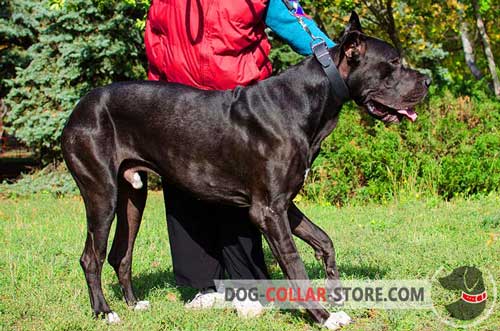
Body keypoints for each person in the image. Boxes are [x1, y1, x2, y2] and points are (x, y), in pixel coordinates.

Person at [144, 0, 335, 316]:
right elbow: (157, 34)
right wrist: (157, 93)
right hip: (178, 103)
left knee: (244, 196)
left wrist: (339, 59)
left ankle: (246, 286)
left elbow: (294, 23)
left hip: (240, 105)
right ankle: (203, 286)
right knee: (183, 190)